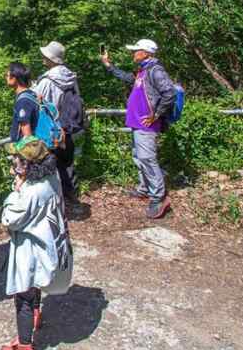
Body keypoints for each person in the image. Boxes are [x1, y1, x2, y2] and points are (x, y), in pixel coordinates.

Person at [0, 135, 73, 350]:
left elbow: (9, 219)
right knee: (36, 282)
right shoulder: (52, 177)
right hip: (48, 241)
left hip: (31, 246)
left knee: (23, 293)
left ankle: (24, 347)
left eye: (18, 160)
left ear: (30, 164)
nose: (14, 163)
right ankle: (35, 316)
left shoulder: (31, 191)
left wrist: (16, 191)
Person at [101, 39, 178, 219]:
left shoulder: (155, 70)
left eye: (136, 50)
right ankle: (144, 188)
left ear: (146, 52)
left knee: (147, 158)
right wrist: (108, 65)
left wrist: (156, 114)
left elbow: (170, 93)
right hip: (137, 123)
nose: (133, 53)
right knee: (139, 158)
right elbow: (128, 78)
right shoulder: (143, 70)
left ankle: (158, 197)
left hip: (147, 124)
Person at [33, 41, 87, 214]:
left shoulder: (48, 80)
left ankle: (52, 203)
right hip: (67, 128)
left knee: (48, 164)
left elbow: (37, 101)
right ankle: (72, 198)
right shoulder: (70, 77)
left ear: (50, 58)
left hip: (51, 130)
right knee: (67, 163)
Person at [7, 62, 39, 143]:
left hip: (27, 151)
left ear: (14, 78)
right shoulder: (32, 94)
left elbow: (27, 136)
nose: (6, 78)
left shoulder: (23, 101)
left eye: (7, 75)